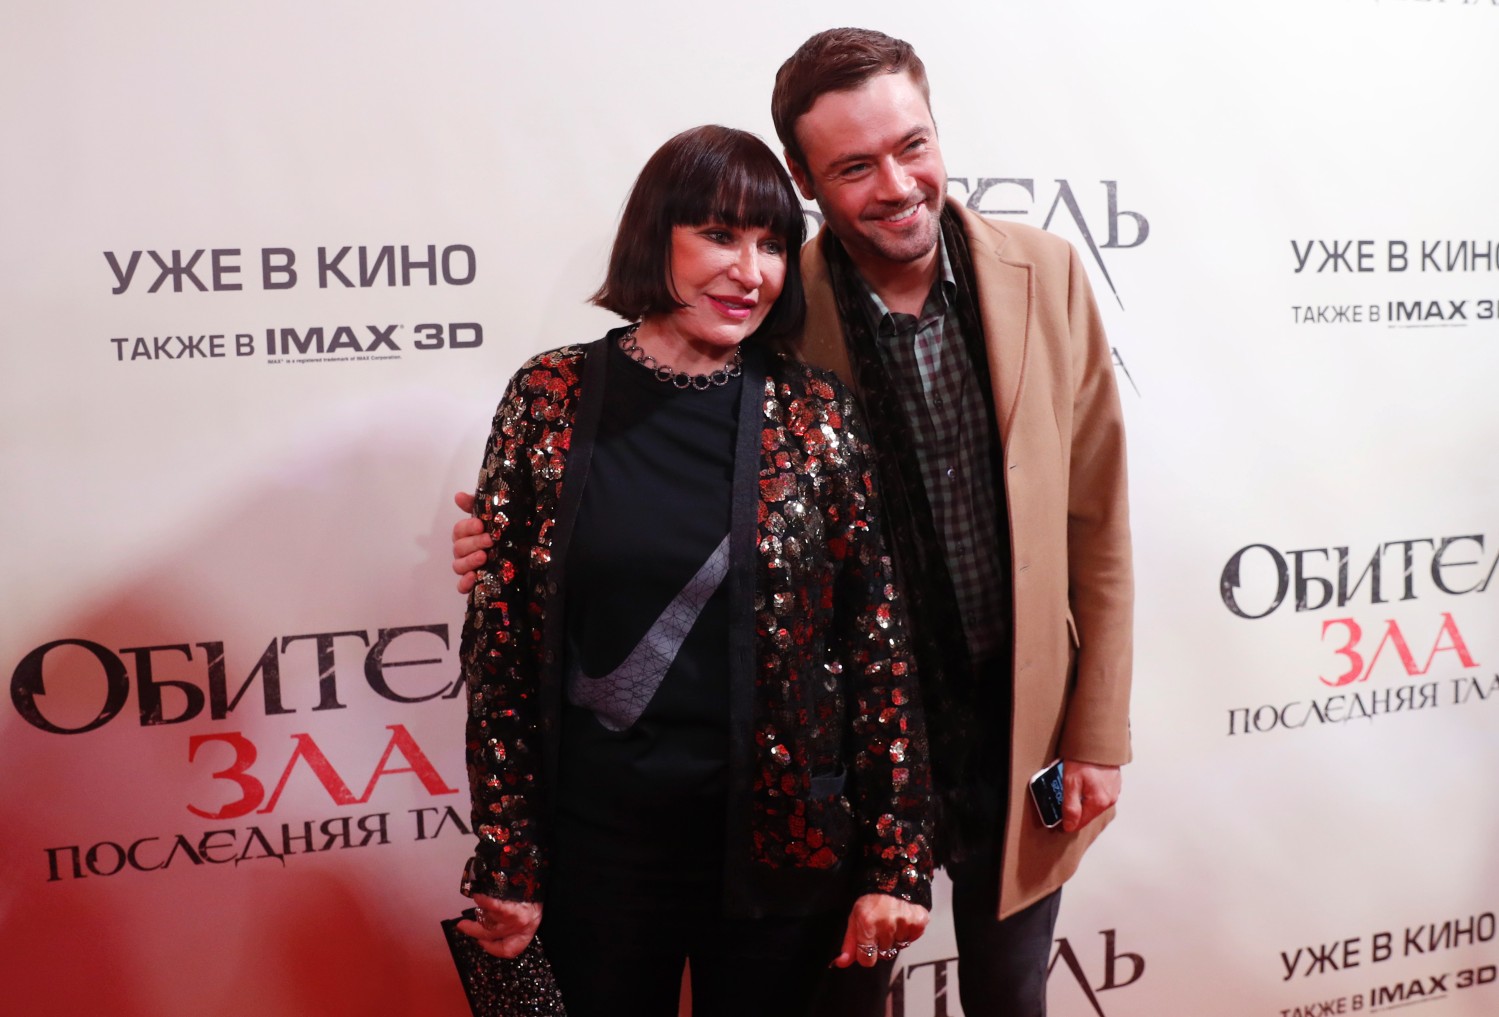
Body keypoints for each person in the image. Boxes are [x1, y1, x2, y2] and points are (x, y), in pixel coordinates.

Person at [455, 30, 1134, 1016]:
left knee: (1011, 994)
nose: (896, 184)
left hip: (1007, 722)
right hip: (808, 767)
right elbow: (542, 608)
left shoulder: (1041, 273)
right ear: (809, 181)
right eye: (854, 167)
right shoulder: (756, 318)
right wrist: (510, 550)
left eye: (911, 145)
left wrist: (1095, 729)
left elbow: (1095, 514)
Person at [453, 124, 933, 1017]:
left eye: (771, 244)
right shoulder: (549, 397)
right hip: (598, 853)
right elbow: (501, 650)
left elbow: (878, 646)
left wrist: (896, 861)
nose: (749, 272)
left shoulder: (815, 414)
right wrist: (508, 857)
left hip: (785, 851)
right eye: (718, 235)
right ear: (657, 235)